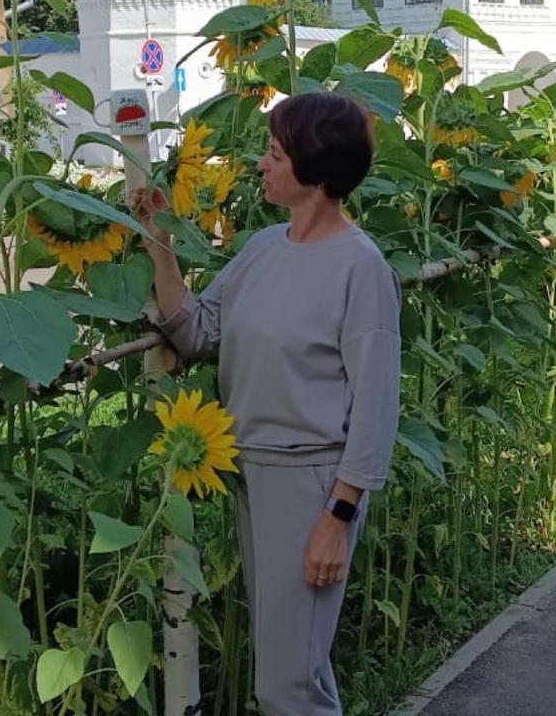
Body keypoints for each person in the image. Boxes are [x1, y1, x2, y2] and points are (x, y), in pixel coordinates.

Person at [131, 92, 402, 716]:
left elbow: (377, 406)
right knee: (295, 672)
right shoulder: (262, 248)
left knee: (286, 687)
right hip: (250, 474)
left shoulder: (360, 269)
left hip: (312, 485)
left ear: (314, 169)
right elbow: (196, 331)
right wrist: (158, 243)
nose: (260, 164)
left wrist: (337, 519)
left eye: (275, 153)